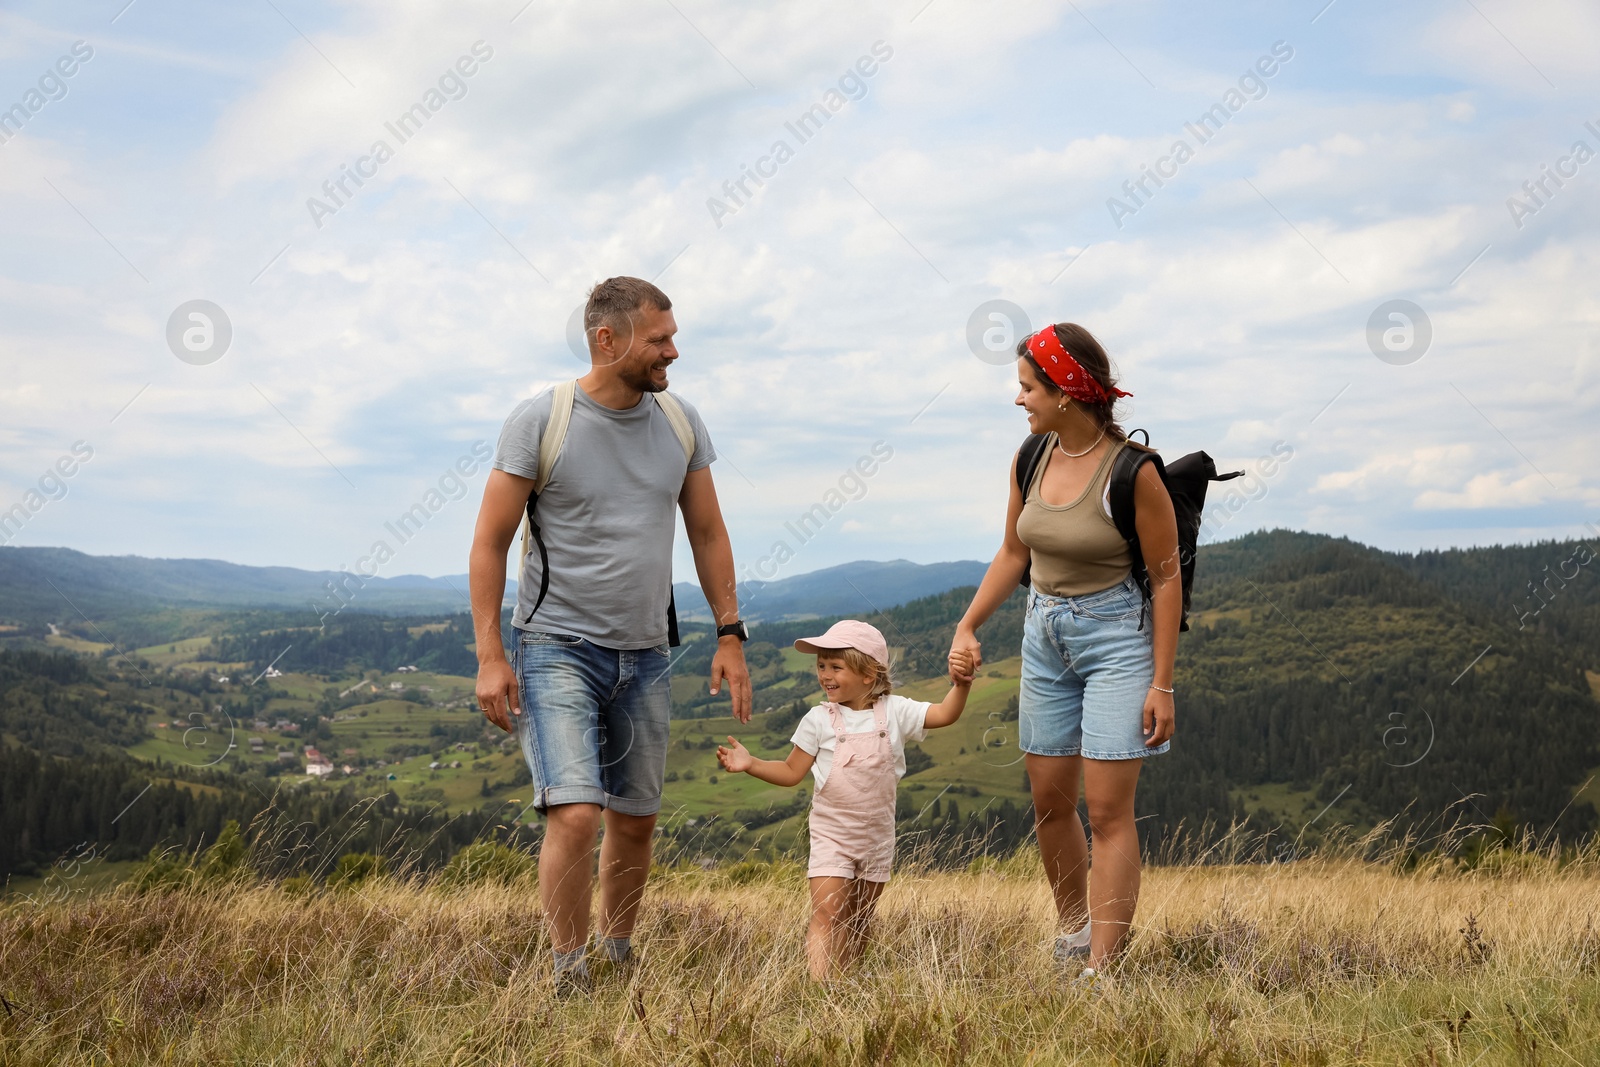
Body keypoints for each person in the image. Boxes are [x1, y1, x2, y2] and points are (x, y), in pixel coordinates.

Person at [470, 276, 753, 995]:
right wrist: (490, 655)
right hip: (555, 646)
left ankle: (617, 957)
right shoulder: (542, 419)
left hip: (648, 653)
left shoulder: (681, 422)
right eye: (660, 339)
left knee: (635, 819)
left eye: (671, 335)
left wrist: (730, 633)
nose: (673, 351)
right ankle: (570, 972)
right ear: (608, 339)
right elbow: (490, 541)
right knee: (575, 812)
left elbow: (709, 531)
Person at [948, 322, 1179, 981]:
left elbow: (1166, 578)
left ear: (1066, 393)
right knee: (1050, 801)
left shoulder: (1132, 473)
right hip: (1043, 632)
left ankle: (1105, 970)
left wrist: (1162, 682)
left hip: (1116, 640)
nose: (1018, 400)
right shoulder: (1030, 458)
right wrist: (968, 624)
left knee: (1107, 811)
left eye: (1027, 387)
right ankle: (1074, 934)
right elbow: (1014, 551)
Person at [716, 620, 972, 980]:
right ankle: (821, 990)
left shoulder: (896, 712)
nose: (825, 675)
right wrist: (750, 763)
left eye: (836, 667)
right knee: (827, 913)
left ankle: (846, 983)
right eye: (821, 666)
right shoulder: (819, 719)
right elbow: (791, 773)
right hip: (831, 837)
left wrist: (961, 685)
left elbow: (946, 713)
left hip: (876, 838)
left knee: (859, 918)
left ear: (869, 674)